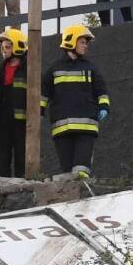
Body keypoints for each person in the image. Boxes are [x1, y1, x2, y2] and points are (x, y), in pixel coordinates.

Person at [40, 25, 110, 177]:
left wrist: (104, 106)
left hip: (86, 127)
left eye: (86, 43)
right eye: (83, 42)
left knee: (81, 171)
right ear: (71, 41)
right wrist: (39, 110)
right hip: (62, 129)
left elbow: (101, 90)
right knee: (67, 173)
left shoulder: (91, 68)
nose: (86, 46)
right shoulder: (54, 68)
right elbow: (43, 93)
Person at [0, 28, 28, 178]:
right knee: (0, 160)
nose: (3, 50)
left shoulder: (29, 69)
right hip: (1, 121)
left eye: (7, 47)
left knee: (22, 160)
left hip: (22, 122)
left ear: (17, 47)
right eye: (3, 47)